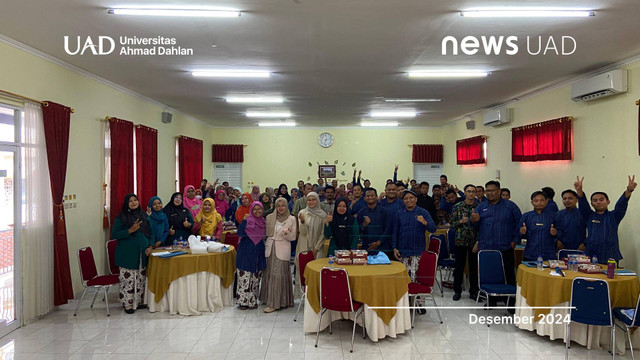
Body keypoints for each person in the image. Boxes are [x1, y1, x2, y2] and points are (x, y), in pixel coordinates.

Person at [470, 181, 521, 292]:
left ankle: (511, 303)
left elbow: (519, 224)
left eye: (492, 190)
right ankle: (490, 301)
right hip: (486, 247)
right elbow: (474, 225)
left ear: (499, 191)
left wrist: (515, 240)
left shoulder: (510, 206)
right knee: (489, 275)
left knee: (508, 275)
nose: (490, 193)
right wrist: (473, 221)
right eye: (487, 190)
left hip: (505, 247)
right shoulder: (481, 206)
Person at [574, 176, 636, 264]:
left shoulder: (614, 216)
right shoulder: (589, 216)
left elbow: (621, 205)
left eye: (601, 199)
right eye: (595, 200)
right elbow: (583, 205)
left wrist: (629, 191)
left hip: (611, 256)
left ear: (608, 202)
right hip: (592, 256)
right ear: (591, 203)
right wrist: (579, 191)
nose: (598, 202)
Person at [111, 194, 153, 314]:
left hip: (142, 254)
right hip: (127, 254)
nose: (134, 202)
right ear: (126, 203)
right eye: (130, 201)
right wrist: (130, 230)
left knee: (140, 279)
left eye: (135, 200)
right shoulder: (121, 218)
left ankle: (137, 302)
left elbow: (151, 233)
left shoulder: (144, 216)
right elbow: (115, 234)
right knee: (128, 280)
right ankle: (127, 304)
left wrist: (150, 246)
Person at [261, 198, 296, 313]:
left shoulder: (291, 219)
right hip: (270, 248)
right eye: (278, 205)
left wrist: (287, 233)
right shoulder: (270, 217)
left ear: (287, 206)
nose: (280, 208)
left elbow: (293, 237)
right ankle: (268, 299)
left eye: (283, 205)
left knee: (278, 275)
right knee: (269, 274)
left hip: (283, 248)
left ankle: (275, 303)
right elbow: (266, 233)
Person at [392, 190, 437, 281]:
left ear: (416, 199)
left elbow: (433, 229)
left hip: (418, 251)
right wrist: (394, 247)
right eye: (406, 198)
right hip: (403, 251)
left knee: (416, 278)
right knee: (404, 280)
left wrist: (425, 222)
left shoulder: (423, 212)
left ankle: (417, 295)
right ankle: (405, 296)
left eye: (411, 198)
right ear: (403, 201)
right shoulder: (399, 213)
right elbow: (395, 232)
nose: (409, 200)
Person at [236, 201, 266, 310]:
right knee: (245, 277)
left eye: (259, 209)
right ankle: (243, 302)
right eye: (255, 209)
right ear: (251, 210)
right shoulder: (247, 220)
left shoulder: (263, 222)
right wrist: (244, 220)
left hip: (258, 252)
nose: (257, 211)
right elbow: (239, 233)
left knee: (255, 278)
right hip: (245, 251)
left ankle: (252, 301)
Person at [450, 185, 479, 301]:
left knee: (474, 268)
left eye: (473, 191)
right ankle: (457, 291)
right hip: (460, 240)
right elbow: (451, 224)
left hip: (474, 242)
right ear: (465, 193)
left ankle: (474, 291)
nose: (471, 194)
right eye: (469, 191)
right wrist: (460, 221)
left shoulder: (479, 207)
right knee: (459, 267)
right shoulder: (457, 207)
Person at [295, 192, 326, 295]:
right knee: (303, 271)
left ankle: (316, 296)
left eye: (313, 199)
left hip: (317, 247)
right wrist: (303, 223)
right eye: (309, 200)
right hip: (304, 245)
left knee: (317, 271)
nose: (311, 202)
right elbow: (302, 232)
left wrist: (316, 248)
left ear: (317, 200)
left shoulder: (323, 214)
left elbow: (323, 233)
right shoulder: (302, 213)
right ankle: (305, 297)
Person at [519, 191, 556, 261]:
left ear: (546, 201)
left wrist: (556, 233)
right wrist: (522, 233)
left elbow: (560, 233)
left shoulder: (554, 216)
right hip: (530, 254)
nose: (539, 203)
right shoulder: (526, 216)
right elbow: (519, 234)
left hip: (549, 255)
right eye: (536, 201)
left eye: (542, 200)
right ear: (532, 202)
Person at [357, 188, 392, 255]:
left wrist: (379, 242)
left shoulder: (384, 211)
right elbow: (358, 231)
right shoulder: (361, 212)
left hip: (382, 247)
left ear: (376, 197)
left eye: (372, 196)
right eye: (368, 196)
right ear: (364, 198)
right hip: (367, 247)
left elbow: (388, 229)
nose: (370, 197)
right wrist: (363, 225)